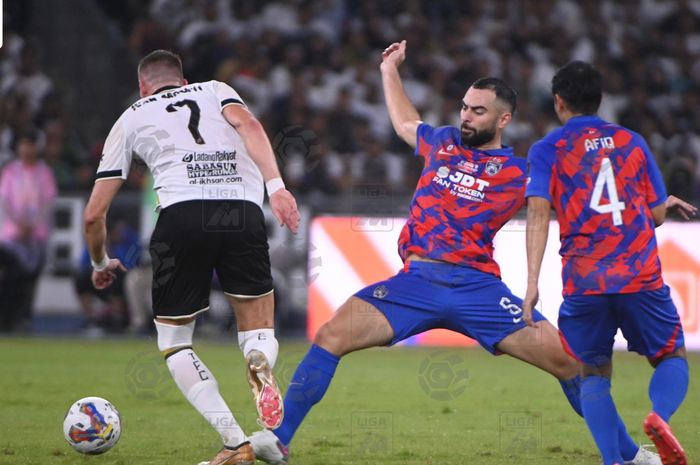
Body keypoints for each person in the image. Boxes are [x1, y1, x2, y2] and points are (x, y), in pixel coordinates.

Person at [249, 42, 660, 465]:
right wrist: (390, 69)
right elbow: (406, 121)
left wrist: (650, 202)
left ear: (503, 119)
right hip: (415, 283)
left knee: (570, 363)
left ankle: (628, 456)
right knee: (331, 335)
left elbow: (587, 194)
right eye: (464, 106)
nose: (466, 115)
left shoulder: (522, 172)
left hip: (478, 290)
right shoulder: (441, 142)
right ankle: (278, 440)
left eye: (478, 111)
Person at [83, 50, 301, 465]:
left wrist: (99, 264)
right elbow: (251, 125)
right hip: (241, 210)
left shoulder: (131, 116)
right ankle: (258, 360)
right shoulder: (218, 90)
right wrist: (276, 186)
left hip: (180, 216)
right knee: (257, 325)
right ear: (183, 83)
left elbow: (94, 213)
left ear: (144, 86)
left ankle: (235, 442)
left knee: (175, 341)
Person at [522, 61, 696, 465]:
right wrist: (660, 205)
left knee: (594, 373)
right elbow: (654, 215)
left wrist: (531, 281)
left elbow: (537, 212)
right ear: (600, 100)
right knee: (671, 358)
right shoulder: (631, 141)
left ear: (558, 101)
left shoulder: (548, 149)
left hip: (585, 280)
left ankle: (612, 461)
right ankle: (660, 417)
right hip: (639, 274)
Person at [0, 129, 57, 331]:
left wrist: (32, 224)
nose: (26, 149)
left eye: (30, 144)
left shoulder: (44, 173)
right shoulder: (10, 172)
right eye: (23, 144)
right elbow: (5, 202)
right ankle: (6, 316)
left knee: (30, 280)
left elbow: (48, 203)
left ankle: (21, 318)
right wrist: (19, 223)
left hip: (36, 234)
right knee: (12, 277)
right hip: (11, 236)